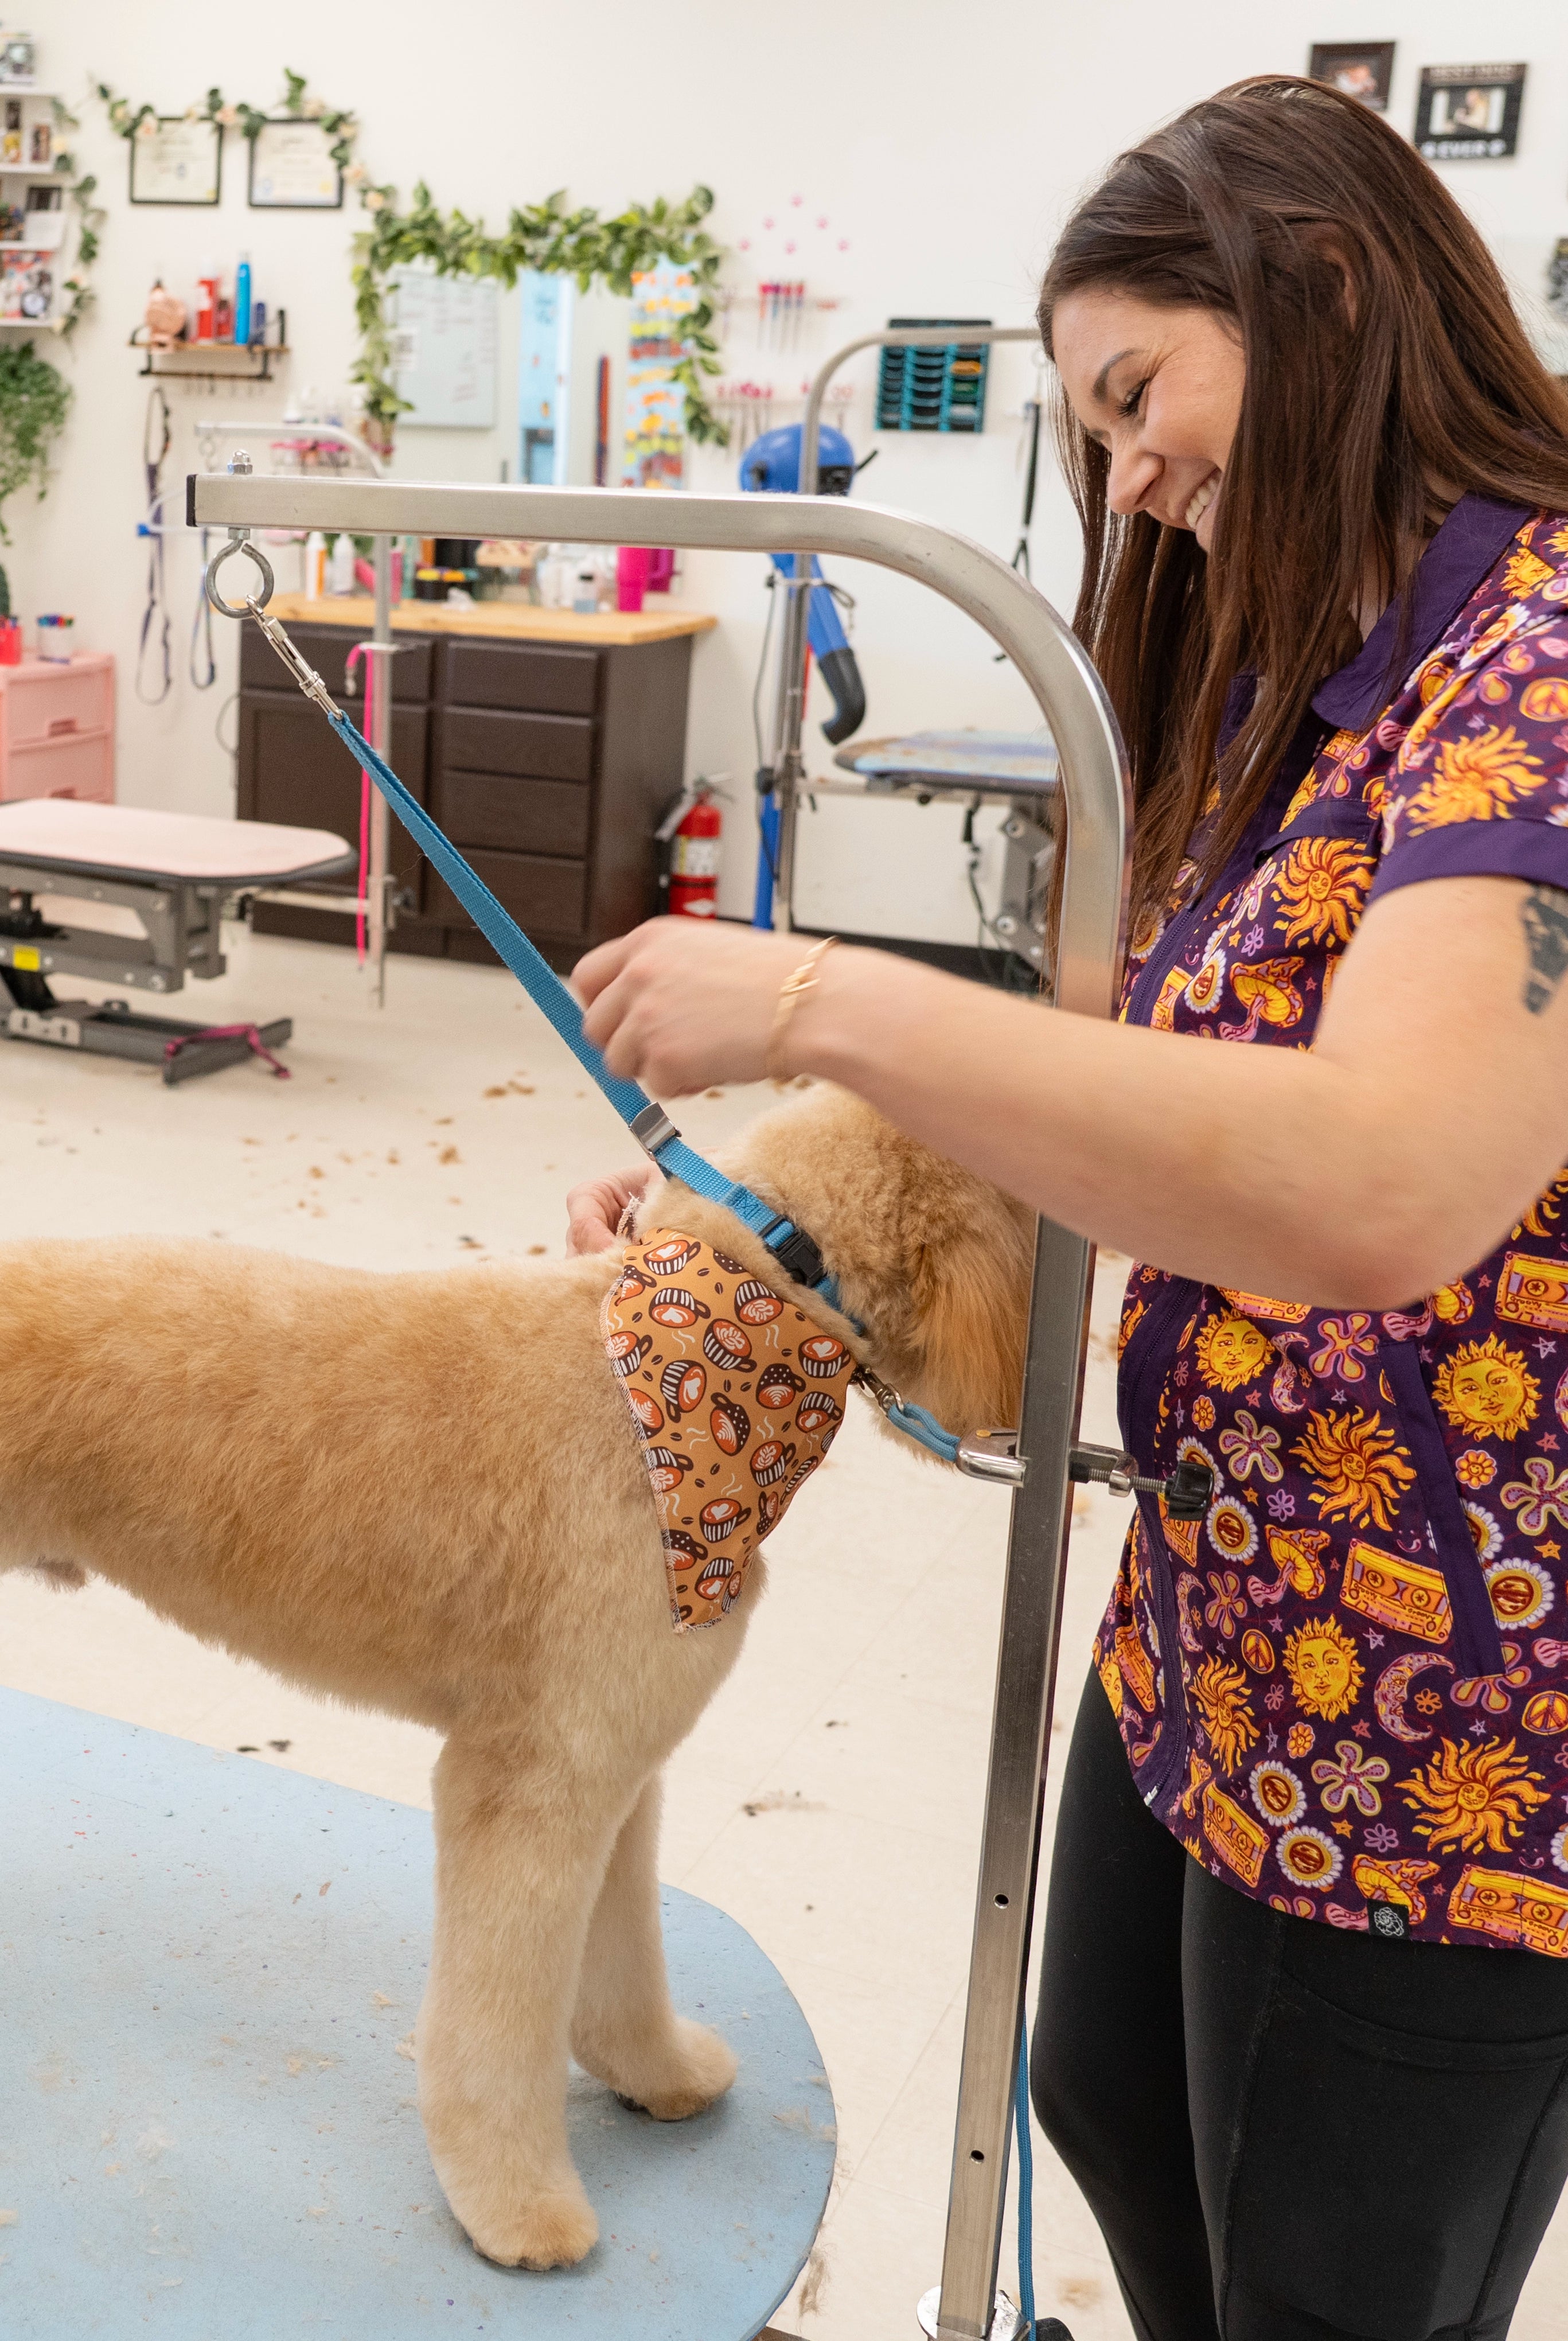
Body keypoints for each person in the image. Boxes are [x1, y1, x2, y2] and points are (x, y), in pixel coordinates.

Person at [570, 76, 1568, 2340]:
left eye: (1137, 396)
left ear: (1327, 289)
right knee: (1108, 2092)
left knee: (1330, 2277)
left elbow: (1379, 1178)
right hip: (1230, 1601)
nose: (1125, 477)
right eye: (1091, 429)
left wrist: (820, 993)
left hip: (1465, 1708)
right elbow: (1139, 1082)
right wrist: (749, 1203)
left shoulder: (1541, 665)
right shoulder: (1329, 677)